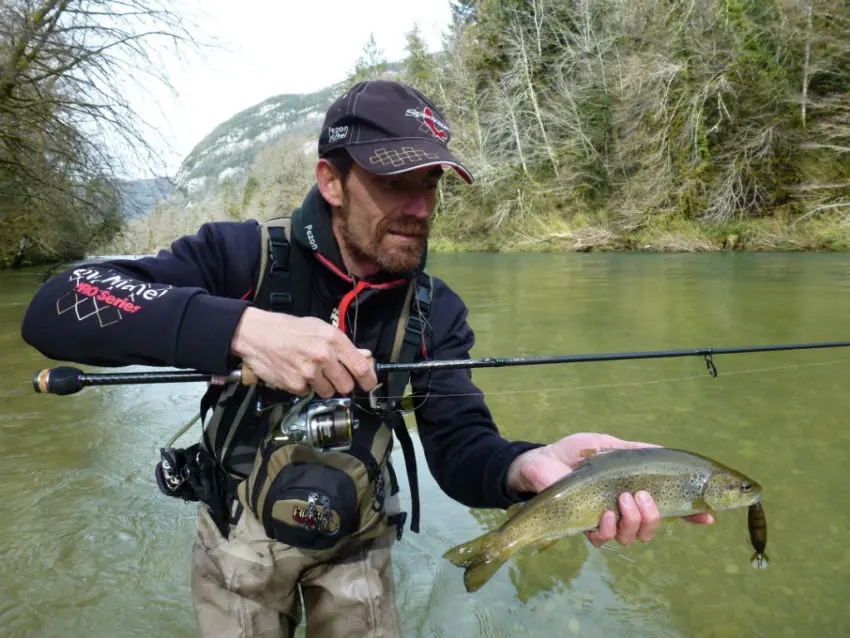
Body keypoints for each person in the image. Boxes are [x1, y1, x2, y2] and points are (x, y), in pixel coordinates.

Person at [20, 80, 712, 637]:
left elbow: (458, 446)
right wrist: (241, 327)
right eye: (394, 181)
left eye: (432, 182)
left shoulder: (436, 312)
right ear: (331, 180)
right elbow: (59, 303)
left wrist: (521, 467)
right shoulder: (238, 256)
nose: (419, 206)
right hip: (236, 538)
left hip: (359, 548)